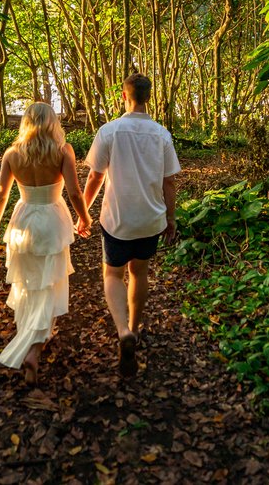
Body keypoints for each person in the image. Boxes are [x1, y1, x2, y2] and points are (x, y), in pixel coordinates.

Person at [83, 74, 181, 377]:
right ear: (148, 98)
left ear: (123, 97)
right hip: (150, 219)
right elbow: (170, 182)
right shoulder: (161, 134)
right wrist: (170, 218)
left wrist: (82, 212)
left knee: (113, 274)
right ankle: (136, 328)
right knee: (139, 272)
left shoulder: (109, 131)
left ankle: (123, 330)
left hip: (117, 219)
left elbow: (95, 177)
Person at [0, 102, 91, 384]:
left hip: (23, 219)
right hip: (52, 220)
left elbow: (1, 194)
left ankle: (28, 334)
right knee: (49, 283)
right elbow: (74, 191)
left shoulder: (12, 153)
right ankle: (34, 348)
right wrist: (85, 217)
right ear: (52, 122)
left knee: (26, 283)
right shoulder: (62, 151)